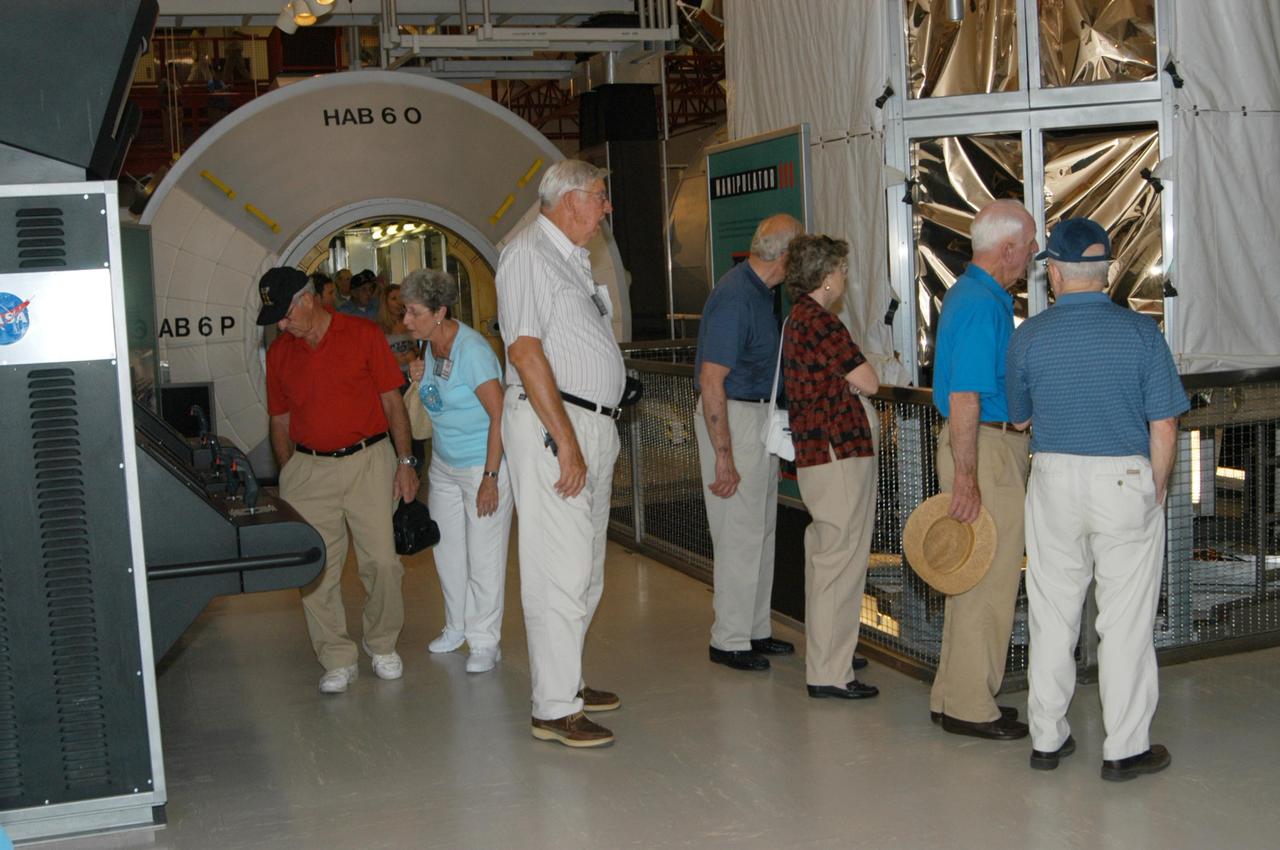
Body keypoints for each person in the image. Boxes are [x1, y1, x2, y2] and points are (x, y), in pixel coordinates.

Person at [1006, 218, 1188, 780]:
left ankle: (1046, 736)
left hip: (1055, 478)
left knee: (1053, 611)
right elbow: (1164, 424)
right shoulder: (1142, 334)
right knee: (1126, 620)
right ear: (1105, 272)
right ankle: (1125, 748)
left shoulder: (1029, 336)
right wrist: (1155, 486)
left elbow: (1018, 418)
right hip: (1123, 480)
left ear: (1055, 273)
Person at [495, 158, 625, 748]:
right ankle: (553, 706)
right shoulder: (526, 254)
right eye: (600, 196)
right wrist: (567, 441)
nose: (606, 208)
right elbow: (524, 353)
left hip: (590, 424)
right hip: (557, 426)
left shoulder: (570, 259)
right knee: (559, 568)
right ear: (570, 199)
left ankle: (565, 679)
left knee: (587, 567)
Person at [257, 267, 419, 695]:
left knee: (383, 562)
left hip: (369, 461)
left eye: (285, 314)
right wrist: (289, 473)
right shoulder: (279, 354)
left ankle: (382, 643)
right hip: (309, 471)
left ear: (306, 300)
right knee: (316, 572)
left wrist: (406, 461)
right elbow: (279, 418)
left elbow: (392, 401)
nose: (280, 323)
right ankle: (335, 656)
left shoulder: (363, 335)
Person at [929, 198, 1038, 740]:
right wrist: (968, 477)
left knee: (967, 574)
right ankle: (972, 705)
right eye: (1031, 245)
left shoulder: (971, 295)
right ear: (1009, 248)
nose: (1035, 256)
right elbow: (966, 396)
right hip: (986, 452)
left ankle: (953, 693)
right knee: (988, 580)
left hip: (984, 447)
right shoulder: (981, 303)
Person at [693, 212, 804, 672]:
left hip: (756, 414)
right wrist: (724, 456)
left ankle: (756, 629)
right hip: (734, 415)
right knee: (738, 532)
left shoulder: (762, 292)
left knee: (760, 529)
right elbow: (711, 379)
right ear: (784, 255)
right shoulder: (737, 297)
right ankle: (730, 638)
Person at [781, 234, 881, 700]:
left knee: (827, 560)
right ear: (824, 276)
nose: (844, 277)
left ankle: (828, 659)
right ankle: (830, 671)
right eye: (840, 269)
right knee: (840, 561)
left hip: (818, 454)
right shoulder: (820, 323)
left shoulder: (797, 319)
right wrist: (860, 383)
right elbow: (869, 381)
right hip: (838, 452)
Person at [402, 269, 513, 674]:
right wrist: (416, 376)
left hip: (481, 466)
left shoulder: (473, 351)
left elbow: (500, 414)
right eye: (405, 311)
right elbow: (436, 401)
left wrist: (491, 477)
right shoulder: (430, 347)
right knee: (447, 551)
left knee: (484, 556)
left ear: (439, 311)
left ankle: (486, 641)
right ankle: (456, 626)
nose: (406, 320)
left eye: (413, 312)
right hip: (445, 467)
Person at [377, 283, 416, 384]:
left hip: (412, 376)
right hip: (391, 379)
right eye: (394, 299)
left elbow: (422, 350)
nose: (399, 302)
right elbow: (374, 359)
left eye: (401, 298)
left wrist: (414, 354)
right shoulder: (378, 328)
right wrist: (391, 360)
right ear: (385, 302)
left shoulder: (412, 322)